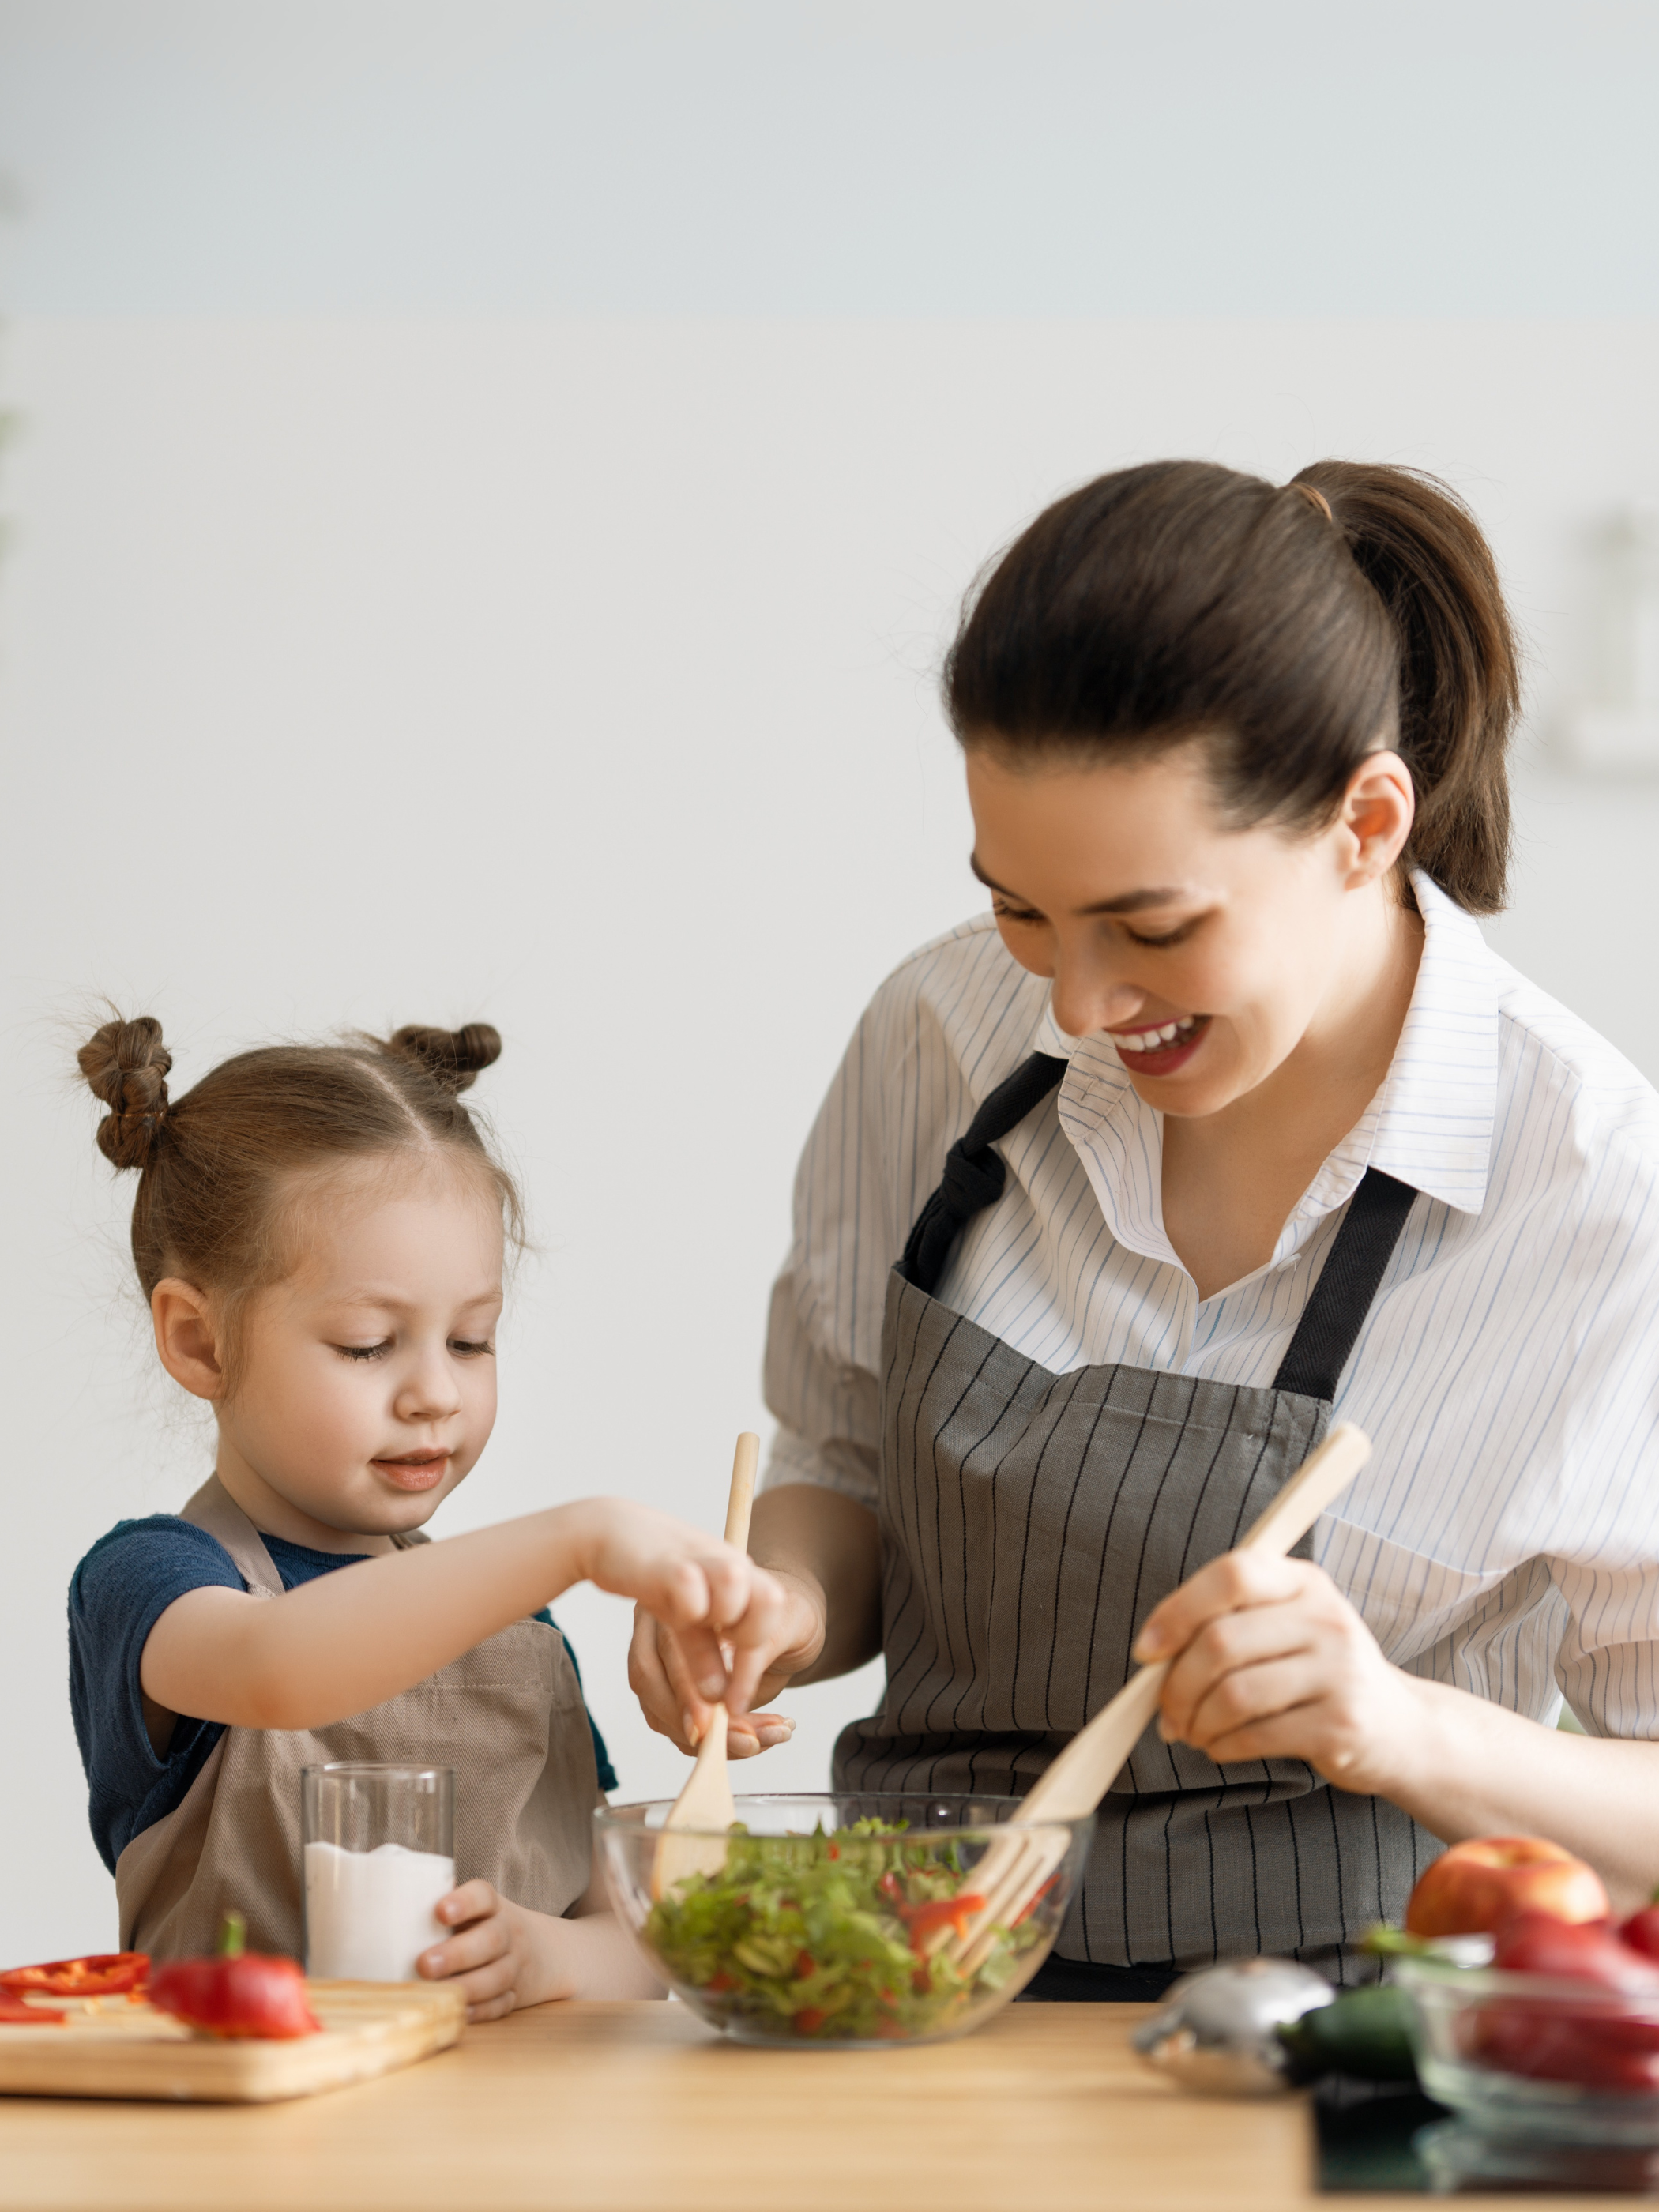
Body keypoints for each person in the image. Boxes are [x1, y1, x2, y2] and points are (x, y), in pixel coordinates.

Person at [634, 459, 1659, 1999]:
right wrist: (781, 1603)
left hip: (1334, 2052)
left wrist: (1392, 1715)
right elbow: (839, 1462)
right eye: (1022, 909)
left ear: (1365, 821)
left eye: (1155, 926)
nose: (1076, 1004)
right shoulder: (936, 1029)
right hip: (903, 2001)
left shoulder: (1591, 1187)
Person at [70, 1015, 783, 2016]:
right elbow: (277, 1667)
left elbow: (633, 1928)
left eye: (472, 1340)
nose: (435, 1393)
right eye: (369, 1344)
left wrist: (556, 1957)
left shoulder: (518, 1633)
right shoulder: (158, 1580)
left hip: (501, 2157)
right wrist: (574, 1538)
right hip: (243, 2155)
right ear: (200, 1342)